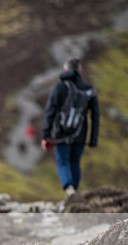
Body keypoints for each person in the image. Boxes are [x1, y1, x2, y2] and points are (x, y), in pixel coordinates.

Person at [41, 57, 100, 196]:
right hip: (80, 133)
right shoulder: (88, 89)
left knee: (62, 161)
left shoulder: (60, 87)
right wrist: (93, 139)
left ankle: (69, 189)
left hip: (61, 133)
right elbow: (95, 114)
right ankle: (74, 191)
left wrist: (46, 135)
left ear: (65, 69)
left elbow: (50, 111)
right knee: (75, 162)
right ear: (80, 70)